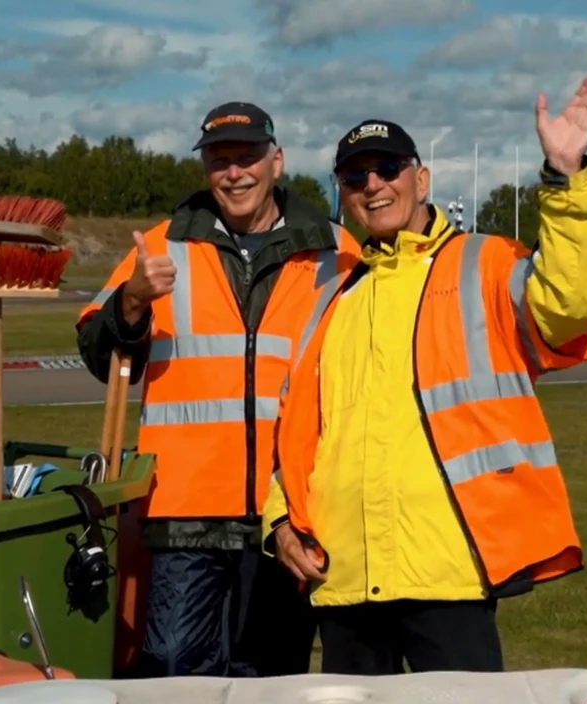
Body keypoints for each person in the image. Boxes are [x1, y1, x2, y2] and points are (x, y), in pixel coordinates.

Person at [261, 70, 587, 675]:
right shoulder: (327, 297)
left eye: (388, 169)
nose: (372, 185)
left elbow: (572, 303)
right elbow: (296, 432)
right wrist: (279, 527)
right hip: (344, 578)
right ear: (341, 194)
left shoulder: (486, 263)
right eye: (355, 176)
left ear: (420, 179)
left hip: (450, 572)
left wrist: (565, 178)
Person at [75, 100, 362, 678]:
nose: (234, 172)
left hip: (289, 509)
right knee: (176, 671)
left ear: (276, 161)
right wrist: (132, 300)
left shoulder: (336, 252)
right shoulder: (163, 244)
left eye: (247, 157)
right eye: (219, 160)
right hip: (186, 511)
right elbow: (98, 353)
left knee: (274, 674)